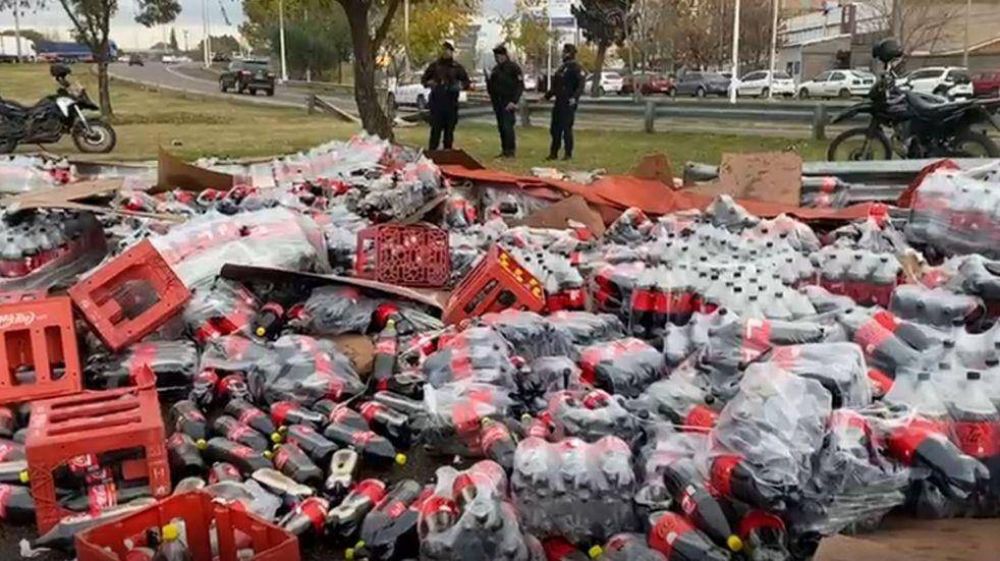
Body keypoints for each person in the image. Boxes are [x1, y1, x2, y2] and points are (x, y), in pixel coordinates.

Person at [421, 40, 471, 151]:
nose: (446, 53)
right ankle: (432, 153)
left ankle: (447, 153)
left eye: (448, 50)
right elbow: (424, 80)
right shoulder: (434, 66)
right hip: (437, 102)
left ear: (452, 52)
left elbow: (467, 82)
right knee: (435, 131)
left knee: (449, 132)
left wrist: (460, 86)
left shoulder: (457, 67)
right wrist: (430, 83)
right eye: (444, 50)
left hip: (451, 102)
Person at [544, 43, 585, 161]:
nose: (562, 54)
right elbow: (555, 86)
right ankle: (553, 153)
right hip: (559, 102)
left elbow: (580, 85)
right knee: (555, 128)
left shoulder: (576, 67)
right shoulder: (561, 68)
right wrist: (547, 96)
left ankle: (568, 154)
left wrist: (574, 98)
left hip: (569, 102)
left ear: (569, 53)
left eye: (564, 52)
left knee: (566, 128)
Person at [486, 44, 524, 158]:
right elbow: (492, 87)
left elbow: (520, 86)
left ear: (505, 56)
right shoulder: (496, 70)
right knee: (501, 127)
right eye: (496, 56)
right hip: (498, 102)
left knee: (508, 127)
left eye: (500, 56)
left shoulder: (513, 68)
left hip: (509, 101)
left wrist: (514, 101)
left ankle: (510, 151)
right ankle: (504, 150)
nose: (498, 58)